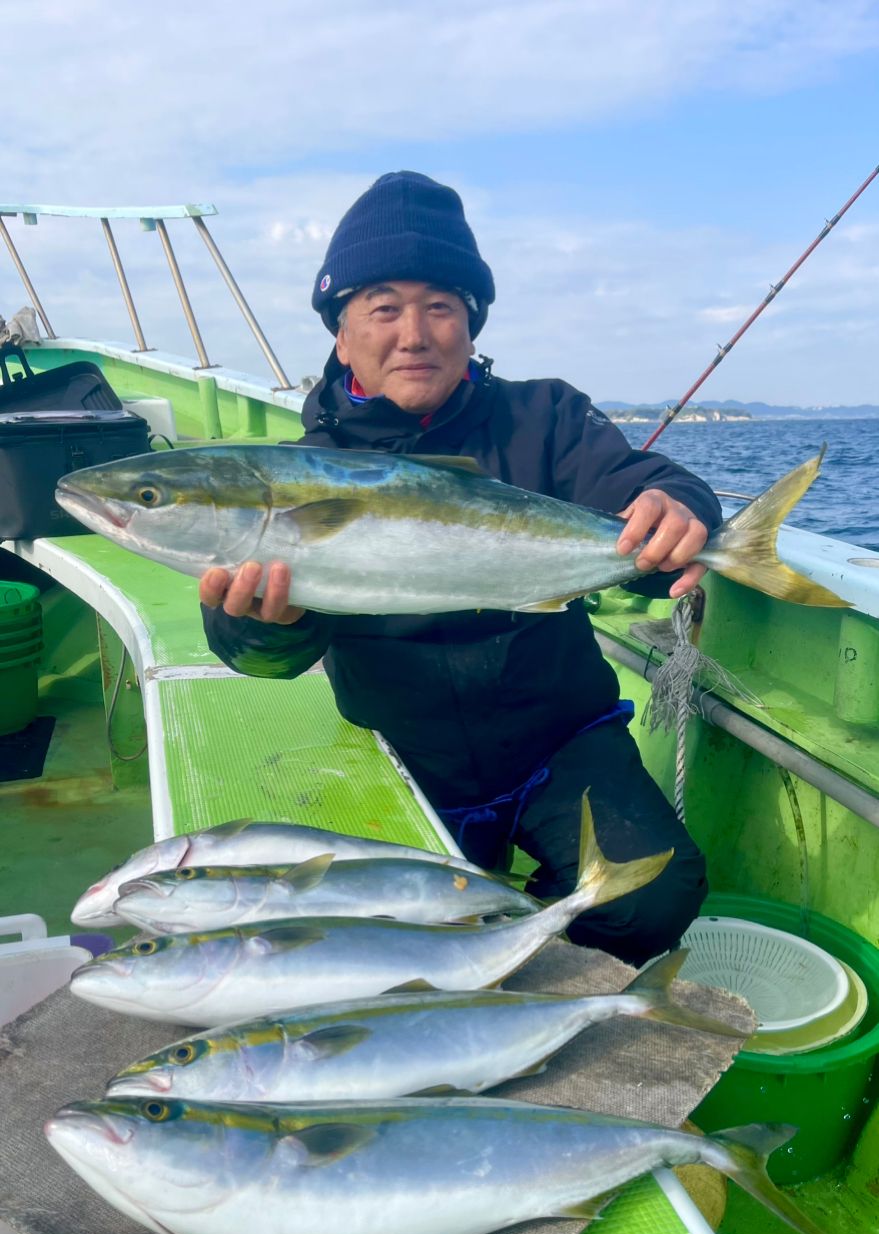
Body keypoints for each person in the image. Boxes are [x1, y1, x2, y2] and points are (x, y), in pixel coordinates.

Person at [200, 171, 722, 966]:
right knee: (378, 941)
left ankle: (536, 965)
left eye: (439, 306)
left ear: (470, 325)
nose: (414, 333)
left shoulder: (543, 418)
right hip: (400, 751)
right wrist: (256, 623)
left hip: (561, 741)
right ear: (340, 336)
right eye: (382, 307)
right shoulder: (305, 472)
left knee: (649, 899)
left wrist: (679, 508)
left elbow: (639, 496)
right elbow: (265, 658)